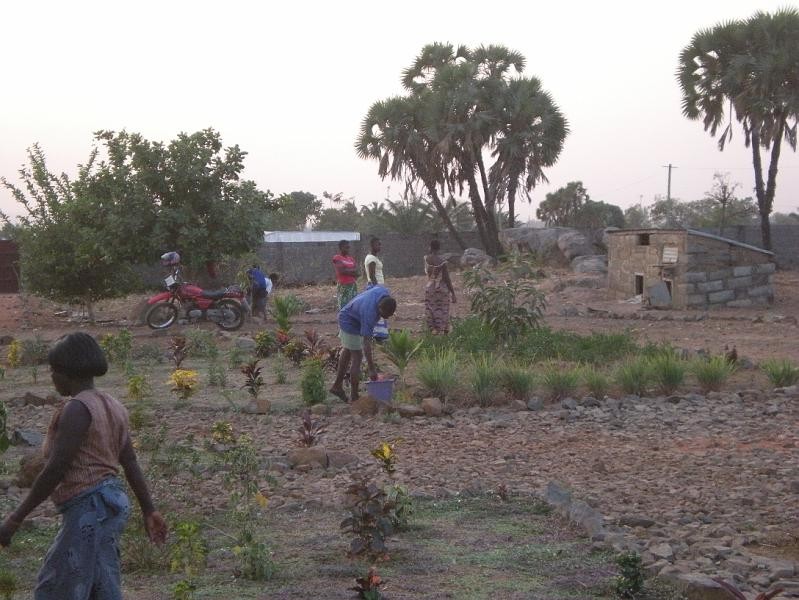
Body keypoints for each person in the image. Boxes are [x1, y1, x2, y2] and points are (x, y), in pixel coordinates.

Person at [0, 332, 167, 599]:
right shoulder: (114, 406)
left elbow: (56, 469)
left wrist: (15, 518)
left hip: (90, 506)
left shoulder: (77, 409)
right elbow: (129, 462)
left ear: (67, 372)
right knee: (101, 582)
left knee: (58, 585)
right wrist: (149, 509)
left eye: (53, 370)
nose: (51, 376)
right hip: (111, 503)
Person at [330, 285, 397, 402]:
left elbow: (370, 286)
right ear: (379, 308)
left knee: (348, 350)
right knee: (357, 356)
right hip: (349, 322)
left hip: (351, 314)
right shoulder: (369, 314)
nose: (387, 317)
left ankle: (337, 386)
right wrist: (371, 369)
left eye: (390, 315)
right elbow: (366, 343)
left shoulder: (383, 291)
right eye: (385, 314)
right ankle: (354, 396)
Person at [424, 239, 457, 334]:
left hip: (429, 288)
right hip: (441, 289)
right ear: (439, 248)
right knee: (443, 309)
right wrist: (453, 293)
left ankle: (432, 329)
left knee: (430, 308)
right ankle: (442, 330)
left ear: (430, 247)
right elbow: (447, 279)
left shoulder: (426, 259)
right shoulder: (442, 262)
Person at [332, 240, 358, 310]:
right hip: (343, 285)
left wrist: (347, 270)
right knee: (343, 305)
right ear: (341, 248)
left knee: (353, 304)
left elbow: (356, 271)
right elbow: (341, 271)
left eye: (349, 247)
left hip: (352, 285)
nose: (348, 249)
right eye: (346, 247)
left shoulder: (351, 259)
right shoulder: (337, 257)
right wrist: (352, 271)